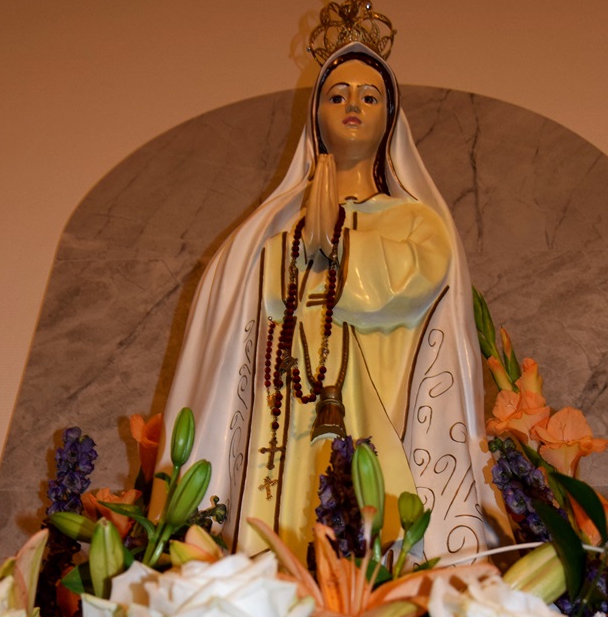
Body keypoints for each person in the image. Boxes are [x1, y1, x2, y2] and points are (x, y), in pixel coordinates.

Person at [153, 28, 496, 563]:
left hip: (377, 410)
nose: (353, 105)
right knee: (283, 524)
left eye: (369, 96)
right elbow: (242, 305)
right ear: (316, 116)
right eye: (337, 95)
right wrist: (293, 246)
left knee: (368, 531)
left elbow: (411, 283)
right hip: (285, 418)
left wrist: (336, 242)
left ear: (390, 119)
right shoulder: (270, 228)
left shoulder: (417, 221)